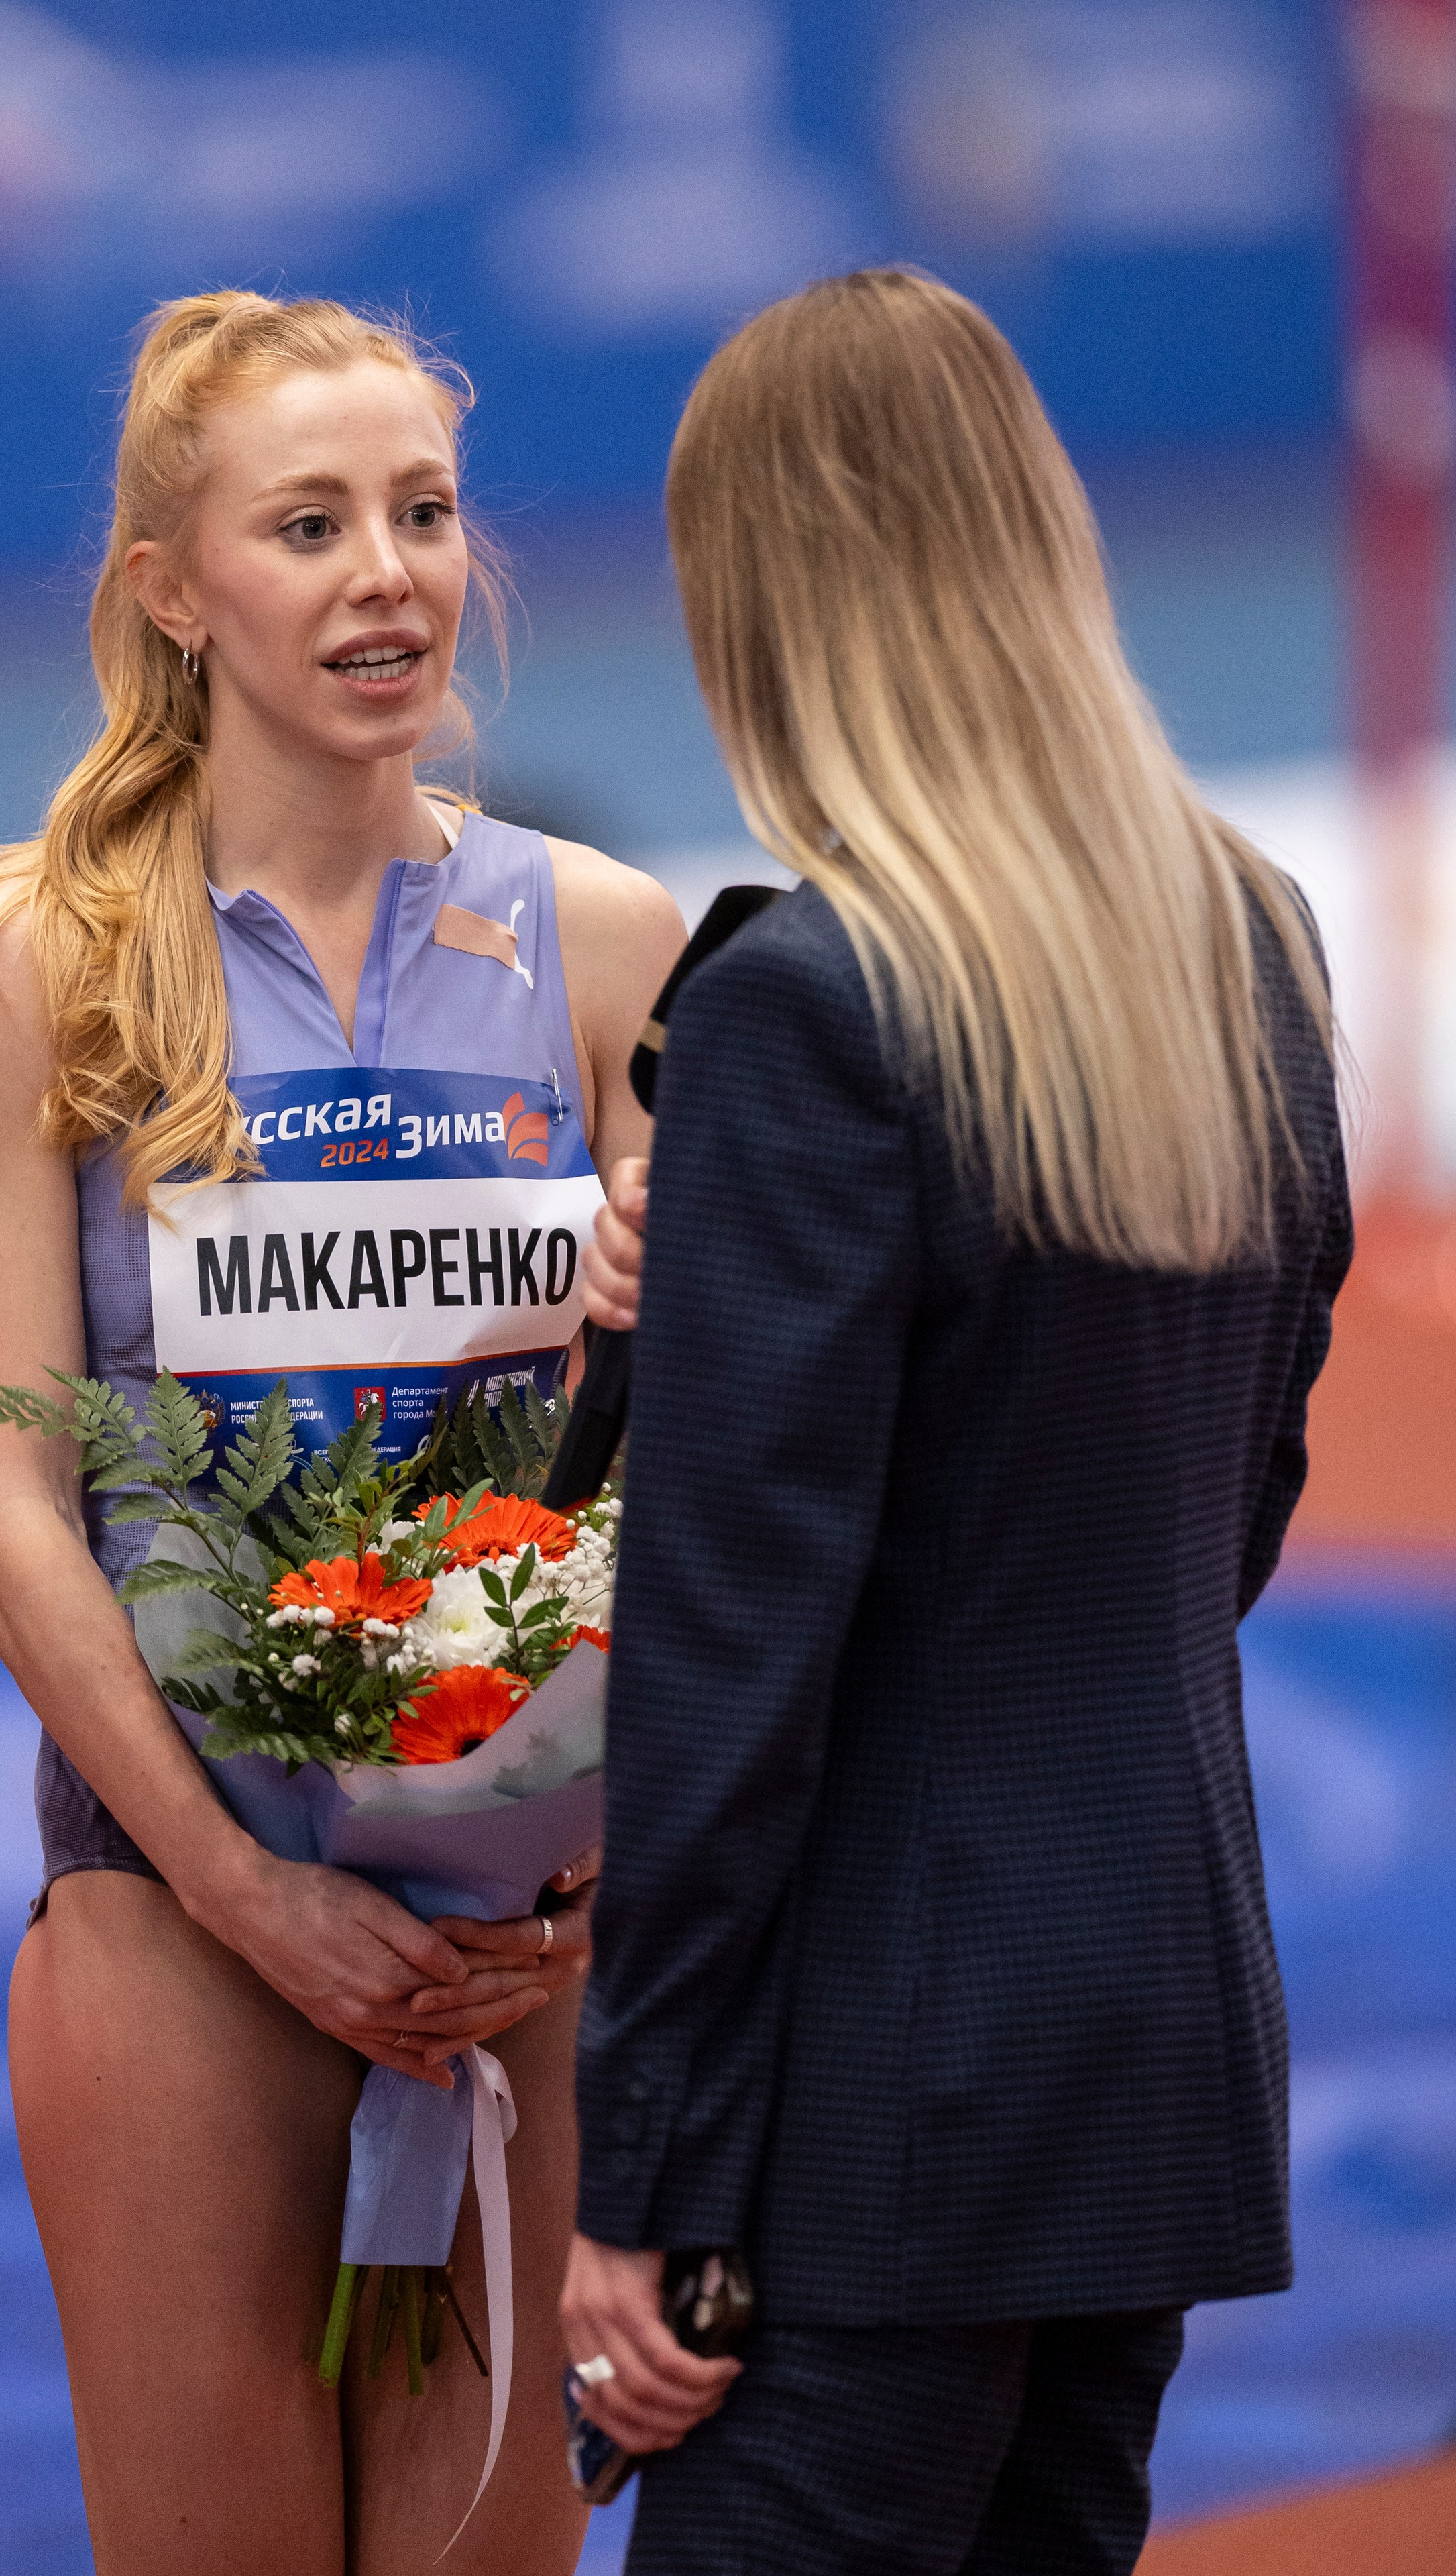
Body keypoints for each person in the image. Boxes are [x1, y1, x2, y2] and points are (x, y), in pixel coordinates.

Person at [561, 268, 1351, 2576]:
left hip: (879, 2098)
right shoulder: (1257, 940)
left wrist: (649, 2167)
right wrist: (652, 1325)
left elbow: (733, 1661)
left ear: (771, 599)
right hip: (1161, 2019)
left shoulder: (808, 1005)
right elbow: (1234, 1514)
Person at [0, 289, 683, 2576]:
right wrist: (246, 1893)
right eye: (309, 524)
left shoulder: (613, 950)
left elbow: (700, 1459)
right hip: (175, 1917)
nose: (387, 576)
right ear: (173, 590)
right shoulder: (29, 971)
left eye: (424, 515)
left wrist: (591, 1868)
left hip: (523, 1932)